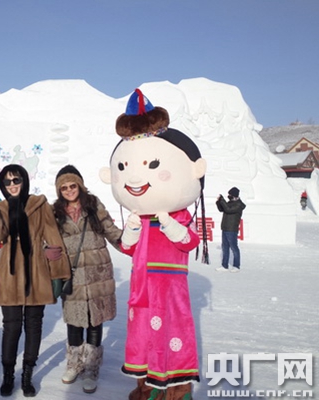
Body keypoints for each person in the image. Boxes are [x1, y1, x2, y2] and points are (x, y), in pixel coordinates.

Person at [100, 89, 208, 399]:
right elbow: (129, 248)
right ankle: (146, 384)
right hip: (141, 285)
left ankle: (176, 388)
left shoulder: (179, 213)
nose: (134, 178)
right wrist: (131, 232)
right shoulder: (140, 217)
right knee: (144, 334)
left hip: (170, 284)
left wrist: (172, 226)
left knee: (173, 334)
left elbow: (189, 242)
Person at [0, 164, 71, 397]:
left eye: (16, 179)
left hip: (36, 269)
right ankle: (7, 375)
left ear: (24, 180)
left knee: (34, 325)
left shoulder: (39, 205)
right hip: (8, 274)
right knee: (10, 327)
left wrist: (59, 272)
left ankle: (27, 375)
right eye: (7, 182)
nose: (12, 185)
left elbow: (53, 239)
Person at [52, 165, 122, 394]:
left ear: (80, 186)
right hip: (72, 276)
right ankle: (74, 363)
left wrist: (130, 242)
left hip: (97, 272)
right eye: (64, 187)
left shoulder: (93, 205)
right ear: (59, 190)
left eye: (73, 186)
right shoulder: (55, 212)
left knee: (94, 320)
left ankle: (91, 366)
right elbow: (50, 242)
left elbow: (111, 231)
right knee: (74, 321)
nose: (69, 190)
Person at [216, 187, 246, 272]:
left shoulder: (238, 204)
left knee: (234, 247)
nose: (228, 196)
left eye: (229, 194)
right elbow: (222, 209)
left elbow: (228, 210)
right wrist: (219, 202)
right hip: (225, 227)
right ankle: (224, 265)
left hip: (232, 229)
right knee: (225, 247)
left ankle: (236, 266)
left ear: (234, 195)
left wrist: (223, 201)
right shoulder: (230, 202)